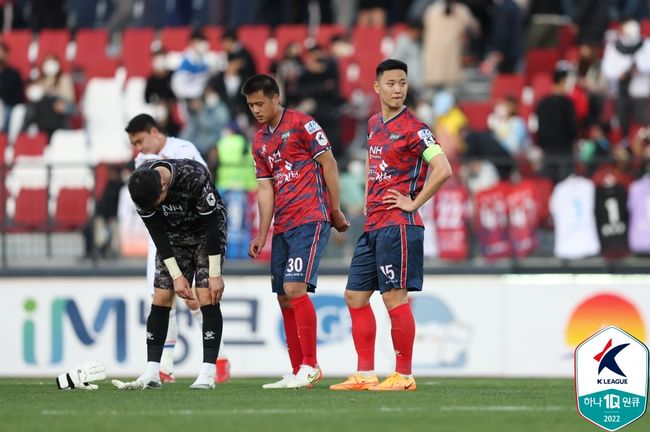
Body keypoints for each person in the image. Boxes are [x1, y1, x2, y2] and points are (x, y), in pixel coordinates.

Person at [330, 59, 451, 392]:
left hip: (399, 225)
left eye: (403, 83)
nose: (398, 89)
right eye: (392, 83)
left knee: (394, 299)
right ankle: (365, 373)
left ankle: (404, 375)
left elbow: (443, 168)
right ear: (377, 87)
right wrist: (369, 199)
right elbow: (374, 162)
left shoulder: (416, 129)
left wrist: (413, 202)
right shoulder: (372, 124)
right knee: (354, 296)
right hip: (374, 225)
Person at [241, 74, 350, 389]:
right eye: (251, 105)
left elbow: (329, 163)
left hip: (310, 217)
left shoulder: (303, 124)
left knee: (294, 289)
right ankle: (297, 369)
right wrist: (262, 233)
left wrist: (335, 208)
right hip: (283, 226)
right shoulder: (259, 140)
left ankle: (311, 365)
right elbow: (265, 189)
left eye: (260, 103)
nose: (256, 110)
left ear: (276, 98)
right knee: (283, 298)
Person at [125, 113, 230, 384]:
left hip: (205, 232)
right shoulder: (141, 187)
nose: (156, 206)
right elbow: (158, 233)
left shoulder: (193, 174)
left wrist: (215, 272)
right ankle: (153, 371)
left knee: (205, 294)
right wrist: (176, 275)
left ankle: (208, 370)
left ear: (164, 185)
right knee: (161, 297)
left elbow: (211, 224)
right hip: (173, 235)